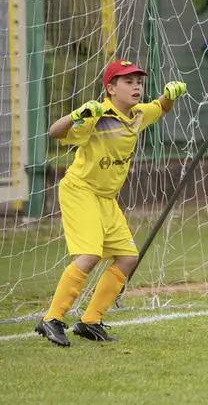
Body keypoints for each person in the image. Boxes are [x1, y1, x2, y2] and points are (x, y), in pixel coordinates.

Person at [35, 60, 187, 346]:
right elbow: (55, 132)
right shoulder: (97, 114)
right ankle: (51, 318)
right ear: (110, 88)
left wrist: (169, 96)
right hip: (80, 190)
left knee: (128, 258)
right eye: (128, 82)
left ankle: (90, 321)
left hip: (105, 198)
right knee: (90, 255)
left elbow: (161, 107)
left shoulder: (138, 114)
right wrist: (76, 115)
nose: (136, 87)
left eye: (139, 81)